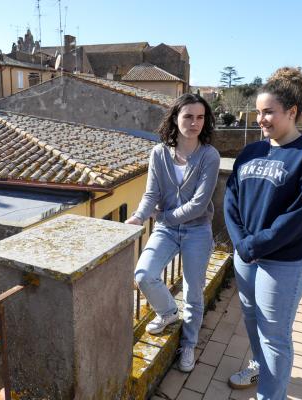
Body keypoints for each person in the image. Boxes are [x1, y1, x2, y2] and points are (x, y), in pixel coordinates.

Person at [224, 67, 302, 399]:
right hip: (247, 256)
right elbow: (231, 197)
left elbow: (298, 218)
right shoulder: (251, 151)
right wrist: (242, 242)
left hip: (284, 262)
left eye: (268, 112)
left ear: (291, 111)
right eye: (258, 112)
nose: (261, 119)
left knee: (275, 335)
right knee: (253, 320)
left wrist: (254, 244)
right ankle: (259, 365)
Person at [126, 93, 220, 372]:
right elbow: (151, 193)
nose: (194, 123)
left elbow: (199, 204)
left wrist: (163, 216)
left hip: (197, 230)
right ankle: (168, 312)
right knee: (143, 274)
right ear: (175, 118)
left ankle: (189, 344)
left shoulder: (209, 156)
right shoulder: (159, 154)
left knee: (193, 292)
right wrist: (139, 217)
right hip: (166, 230)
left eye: (200, 117)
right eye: (188, 116)